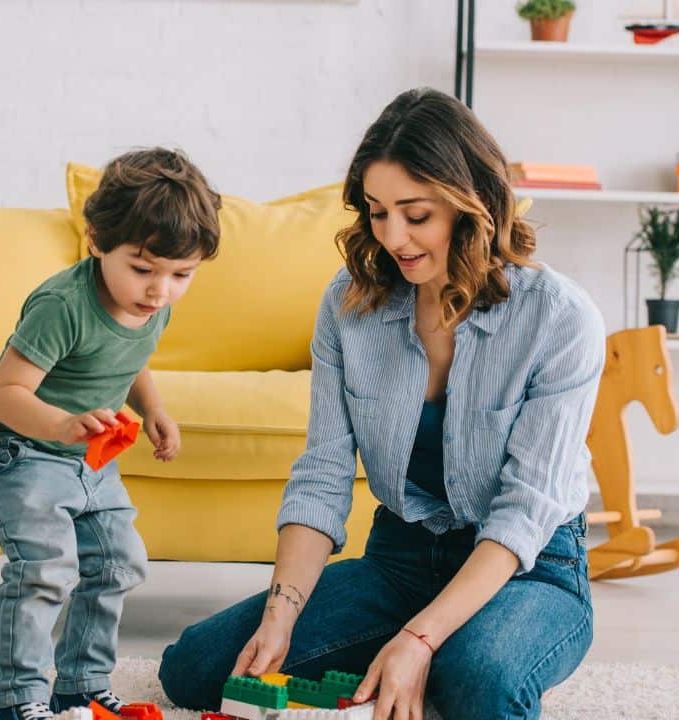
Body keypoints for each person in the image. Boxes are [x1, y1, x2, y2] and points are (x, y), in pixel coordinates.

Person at [158, 87, 605, 720]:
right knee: (200, 669)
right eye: (376, 212)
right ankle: (406, 653)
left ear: (468, 205)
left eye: (415, 215)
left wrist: (420, 638)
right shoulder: (351, 304)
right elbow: (322, 475)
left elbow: (524, 512)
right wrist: (280, 617)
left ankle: (452, 651)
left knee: (474, 680)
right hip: (400, 560)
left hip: (527, 568)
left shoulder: (560, 318)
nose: (393, 237)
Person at [0, 148, 221, 720]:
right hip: (15, 447)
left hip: (88, 453)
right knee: (45, 570)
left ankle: (80, 684)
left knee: (119, 562)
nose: (160, 291)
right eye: (143, 268)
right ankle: (22, 698)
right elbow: (7, 394)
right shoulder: (62, 306)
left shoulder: (153, 306)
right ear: (95, 242)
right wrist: (59, 425)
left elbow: (129, 360)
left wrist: (152, 408)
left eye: (182, 275)